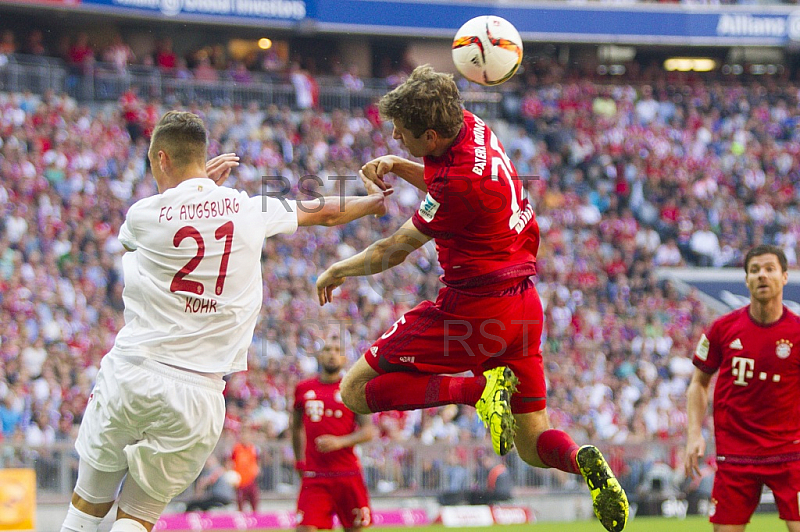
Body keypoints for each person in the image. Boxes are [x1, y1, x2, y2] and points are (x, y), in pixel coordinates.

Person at [315, 65, 628, 532]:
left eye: (402, 133)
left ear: (433, 134)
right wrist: (401, 166)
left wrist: (339, 268)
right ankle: (580, 459)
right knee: (532, 443)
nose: (396, 137)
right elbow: (446, 179)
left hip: (474, 311)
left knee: (354, 391)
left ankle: (479, 390)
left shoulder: (456, 186)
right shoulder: (475, 128)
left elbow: (393, 250)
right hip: (523, 306)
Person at [59, 110, 389, 532]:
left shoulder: (142, 215)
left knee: (86, 506)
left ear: (161, 159)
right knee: (138, 517)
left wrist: (199, 192)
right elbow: (321, 212)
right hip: (199, 392)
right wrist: (371, 203)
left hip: (133, 373)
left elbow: (168, 221)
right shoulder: (248, 208)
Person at [685, 244, 800, 532]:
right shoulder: (722, 329)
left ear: (785, 276)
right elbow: (698, 384)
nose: (762, 275)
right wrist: (693, 434)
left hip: (791, 453)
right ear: (746, 279)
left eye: (769, 269)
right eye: (755, 270)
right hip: (736, 454)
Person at [292, 333, 376, 532]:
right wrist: (298, 461)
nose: (332, 355)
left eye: (337, 351)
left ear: (344, 358)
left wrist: (340, 442)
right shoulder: (303, 388)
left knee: (353, 528)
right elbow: (295, 427)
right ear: (319, 356)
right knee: (305, 528)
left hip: (347, 473)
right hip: (315, 475)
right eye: (327, 350)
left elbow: (368, 431)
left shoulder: (352, 388)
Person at [229, 425, 260, 513]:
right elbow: (230, 461)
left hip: (251, 481)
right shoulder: (236, 448)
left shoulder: (253, 448)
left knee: (254, 505)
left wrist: (257, 469)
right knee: (241, 506)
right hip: (240, 482)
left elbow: (257, 461)